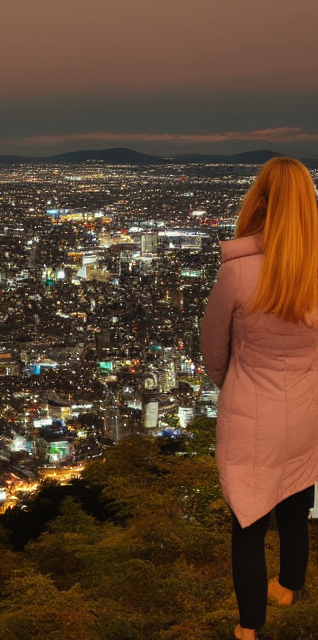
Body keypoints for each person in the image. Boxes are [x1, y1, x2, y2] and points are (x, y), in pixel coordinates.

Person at [201, 157, 318, 640]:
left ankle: (250, 628)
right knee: (295, 500)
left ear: (260, 200)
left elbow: (214, 348)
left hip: (252, 414)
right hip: (309, 409)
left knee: (248, 523)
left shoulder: (239, 271)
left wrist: (235, 382)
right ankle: (290, 584)